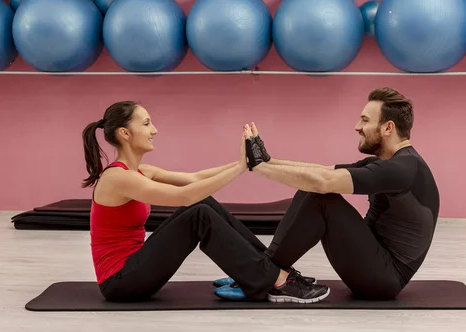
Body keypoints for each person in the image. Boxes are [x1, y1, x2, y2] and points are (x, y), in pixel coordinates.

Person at [81, 101, 330, 304]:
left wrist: (254, 161)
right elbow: (186, 196)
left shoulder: (140, 171)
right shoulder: (118, 178)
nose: (154, 130)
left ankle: (268, 268)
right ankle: (276, 280)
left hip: (135, 267)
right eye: (146, 124)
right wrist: (243, 166)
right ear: (125, 133)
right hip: (121, 282)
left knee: (205, 203)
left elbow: (196, 178)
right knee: (198, 212)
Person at [215, 87, 440, 300]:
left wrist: (259, 168)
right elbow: (323, 171)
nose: (357, 126)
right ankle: (262, 271)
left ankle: (261, 274)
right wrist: (267, 160)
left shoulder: (402, 170)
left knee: (320, 196)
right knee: (312, 188)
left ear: (388, 128)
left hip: (384, 279)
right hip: (376, 263)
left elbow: (323, 182)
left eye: (365, 120)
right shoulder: (393, 163)